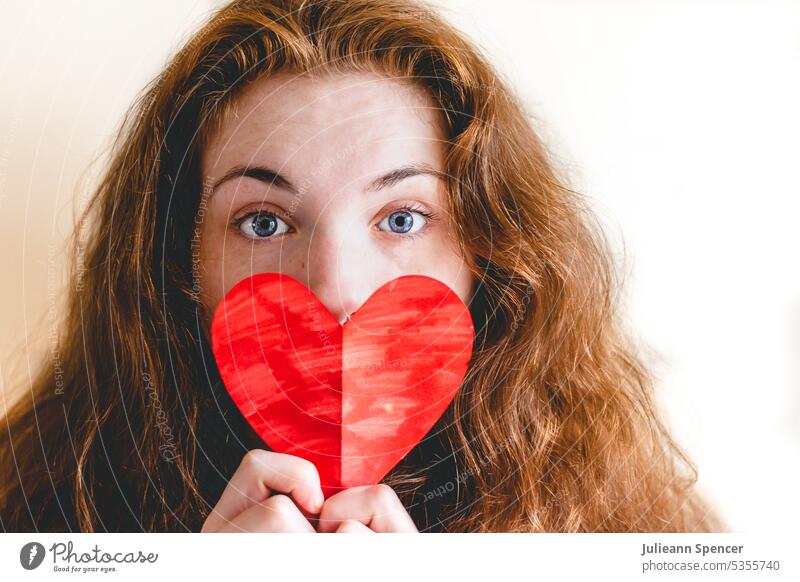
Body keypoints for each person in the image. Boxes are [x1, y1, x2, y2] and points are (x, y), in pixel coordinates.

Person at [0, 0, 722, 532]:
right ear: (177, 263)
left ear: (491, 253)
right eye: (263, 222)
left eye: (401, 219)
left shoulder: (625, 533)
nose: (337, 288)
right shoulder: (33, 518)